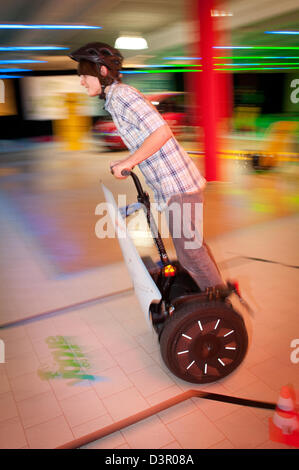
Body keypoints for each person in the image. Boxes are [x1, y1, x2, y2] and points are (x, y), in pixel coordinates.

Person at [69, 42, 227, 293]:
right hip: (172, 185)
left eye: (84, 75)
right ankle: (215, 300)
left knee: (191, 253)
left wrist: (129, 162)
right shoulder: (115, 99)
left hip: (178, 186)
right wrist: (125, 161)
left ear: (101, 72)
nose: (81, 82)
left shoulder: (123, 96)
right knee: (191, 250)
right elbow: (146, 137)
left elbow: (161, 131)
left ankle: (219, 307)